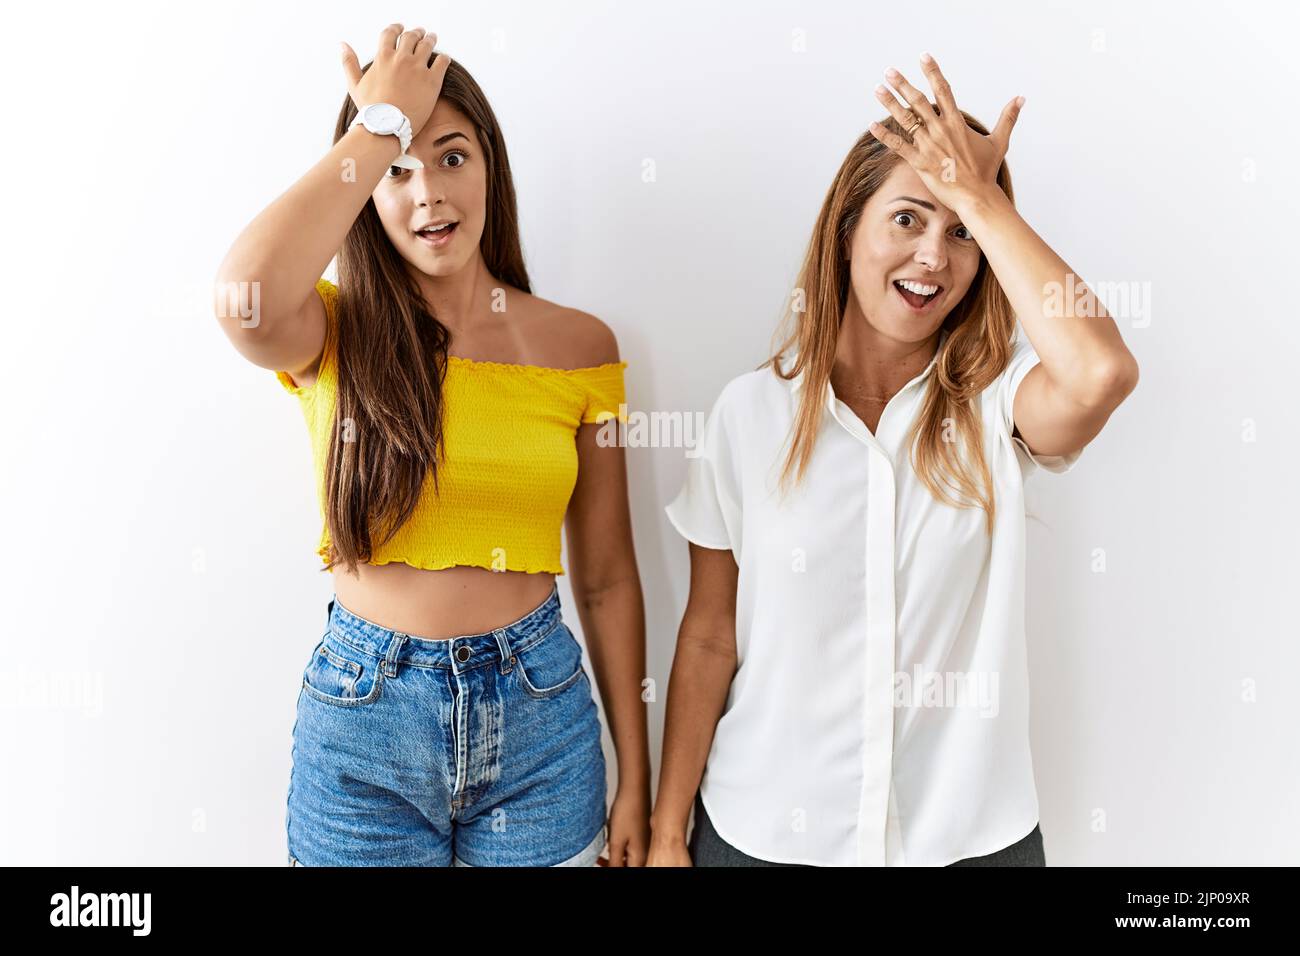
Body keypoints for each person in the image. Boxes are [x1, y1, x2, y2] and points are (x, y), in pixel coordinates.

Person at [648, 54, 1138, 867]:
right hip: (765, 835)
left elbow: (1102, 372)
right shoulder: (749, 413)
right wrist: (669, 833)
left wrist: (983, 197)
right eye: (908, 219)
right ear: (848, 230)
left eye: (961, 234)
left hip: (968, 841)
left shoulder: (1000, 403)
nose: (934, 259)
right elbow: (708, 636)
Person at [213, 23, 650, 866]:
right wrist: (376, 125)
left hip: (541, 716)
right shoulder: (330, 329)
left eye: (451, 157)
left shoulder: (581, 346)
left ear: (491, 165)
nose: (428, 196)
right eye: (397, 171)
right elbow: (244, 299)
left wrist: (635, 775)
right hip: (364, 717)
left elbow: (606, 578)